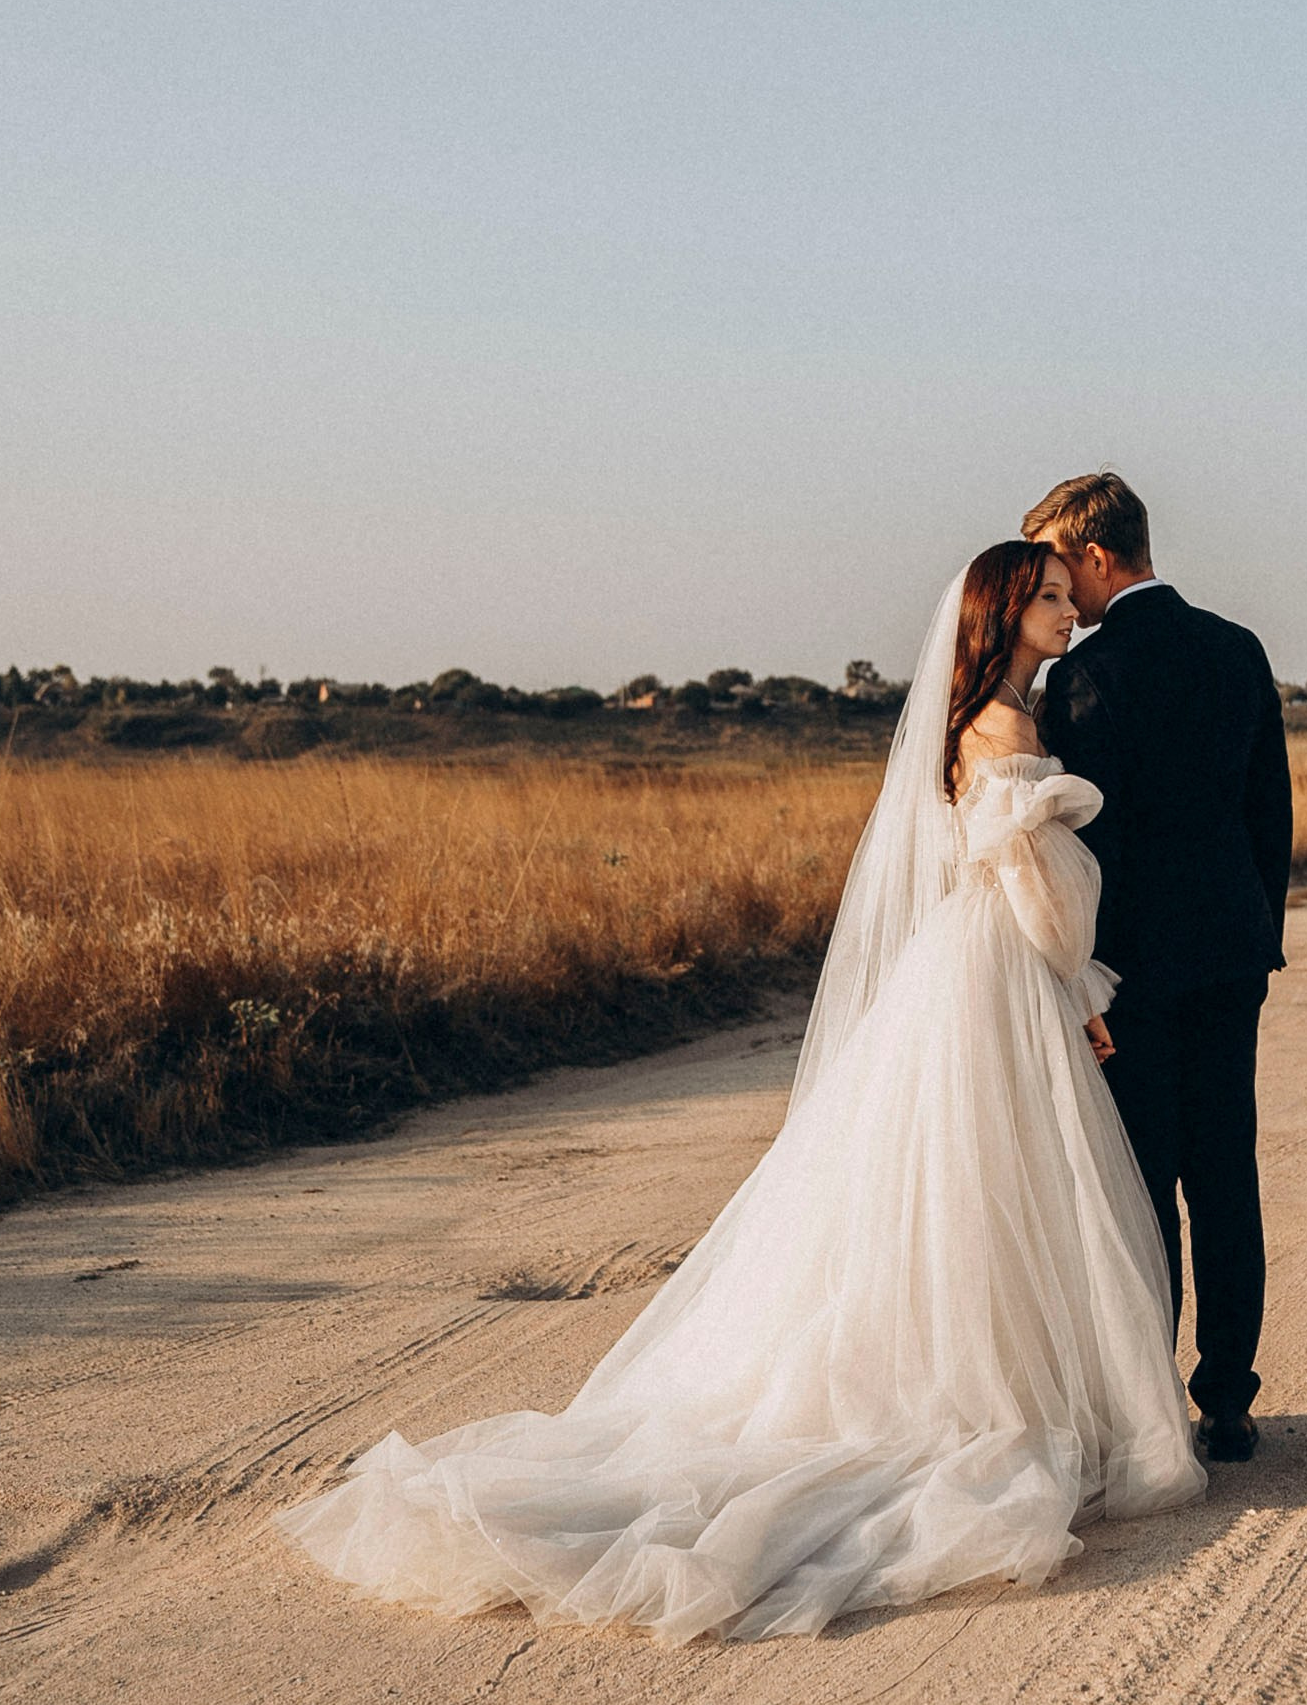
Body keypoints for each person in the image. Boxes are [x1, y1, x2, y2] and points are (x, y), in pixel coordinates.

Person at [276, 544, 1203, 1644]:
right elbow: (1046, 908)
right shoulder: (1005, 734)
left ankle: (1003, 1388)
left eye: (1064, 593)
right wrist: (1076, 978)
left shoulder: (984, 726)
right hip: (1000, 977)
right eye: (1046, 599)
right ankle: (1009, 1403)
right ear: (1000, 619)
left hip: (964, 972)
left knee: (964, 1196)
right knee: (999, 1192)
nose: (1065, 614)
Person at [1023, 471, 1291, 1461]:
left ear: (1096, 555)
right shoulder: (1237, 649)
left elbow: (1085, 849)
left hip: (1131, 970)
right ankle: (1227, 1397)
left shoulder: (1084, 679)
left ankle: (1149, 1411)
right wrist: (1261, 931)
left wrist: (1078, 973)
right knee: (1224, 1170)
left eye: (1059, 565)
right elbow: (1270, 812)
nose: (1056, 589)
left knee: (1141, 1181)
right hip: (1229, 954)